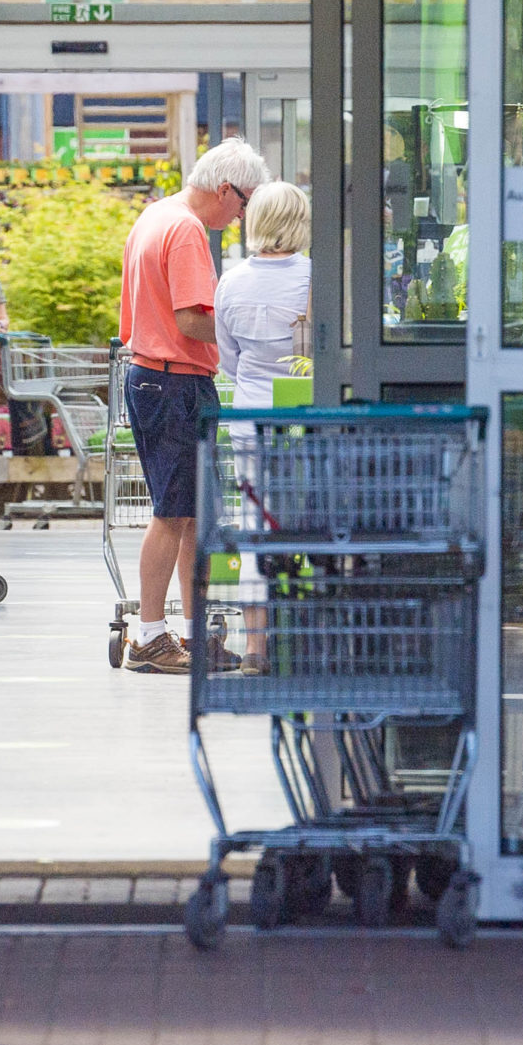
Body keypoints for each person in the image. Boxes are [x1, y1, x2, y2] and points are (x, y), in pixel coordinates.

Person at [117, 137, 271, 675]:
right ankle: (152, 637)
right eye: (245, 202)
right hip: (173, 380)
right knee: (173, 512)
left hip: (155, 378)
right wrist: (248, 338)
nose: (243, 215)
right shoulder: (185, 230)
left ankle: (189, 632)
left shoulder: (155, 215)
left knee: (188, 513)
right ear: (226, 190)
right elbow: (190, 319)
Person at [214, 180, 312, 409]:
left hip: (247, 419)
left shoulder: (229, 282)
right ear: (301, 223)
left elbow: (229, 362)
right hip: (303, 420)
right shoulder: (316, 277)